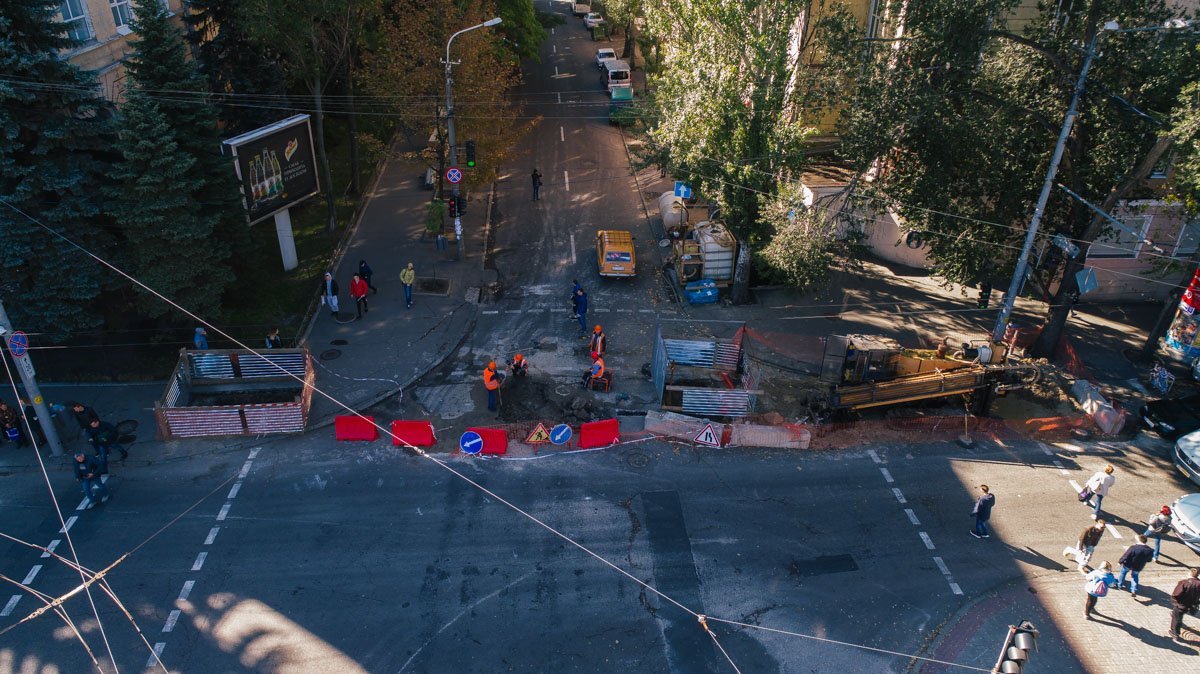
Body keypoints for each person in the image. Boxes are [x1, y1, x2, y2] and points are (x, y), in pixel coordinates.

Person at [1170, 567, 1200, 642]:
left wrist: (1174, 602)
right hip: (1191, 604)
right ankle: (1177, 627)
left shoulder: (1184, 582)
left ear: (1190, 574)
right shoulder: (1199, 583)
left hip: (1180, 605)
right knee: (1179, 616)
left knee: (1176, 618)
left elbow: (1176, 594)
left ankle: (1175, 633)